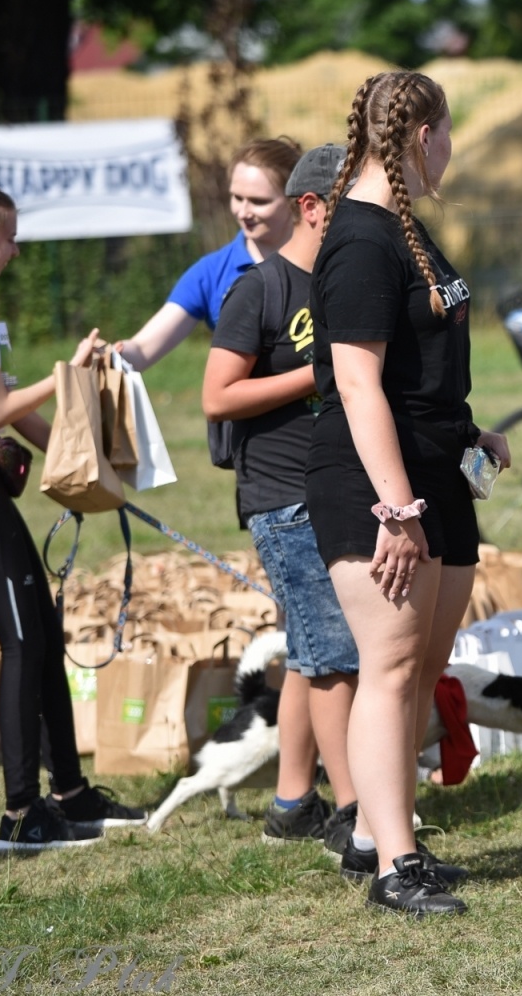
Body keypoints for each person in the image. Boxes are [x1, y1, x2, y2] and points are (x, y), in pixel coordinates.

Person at [306, 70, 509, 918]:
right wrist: (396, 509)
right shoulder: (359, 238)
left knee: (421, 666)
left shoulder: (404, 225)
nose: (452, 148)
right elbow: (357, 386)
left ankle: (374, 837)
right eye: (450, 131)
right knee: (388, 669)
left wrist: (466, 435)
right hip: (376, 486)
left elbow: (416, 363)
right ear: (422, 133)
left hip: (436, 467)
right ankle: (396, 863)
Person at [0, 160, 145, 849]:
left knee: (41, 627)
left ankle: (68, 793)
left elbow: (6, 416)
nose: (16, 252)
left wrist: (84, 468)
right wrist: (64, 377)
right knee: (23, 639)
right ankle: (21, 814)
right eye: (10, 240)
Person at [202, 143, 360, 850]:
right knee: (334, 653)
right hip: (283, 496)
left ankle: (295, 803)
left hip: (340, 488)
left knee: (310, 651)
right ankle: (358, 810)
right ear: (313, 207)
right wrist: (317, 375)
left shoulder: (345, 282)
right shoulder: (260, 289)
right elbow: (218, 395)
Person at [116, 138, 302, 370]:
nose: (243, 212)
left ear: (295, 199)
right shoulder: (211, 272)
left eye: (258, 201)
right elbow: (143, 349)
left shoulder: (322, 260)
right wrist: (110, 356)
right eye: (237, 197)